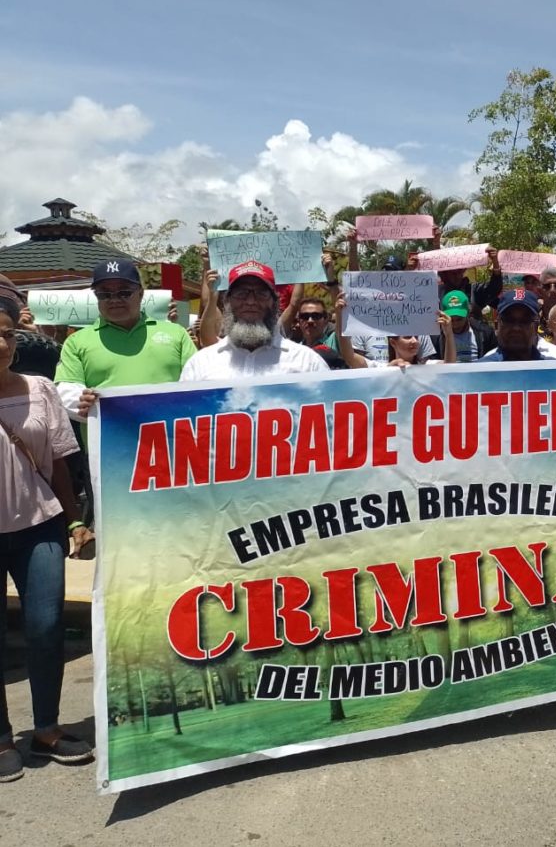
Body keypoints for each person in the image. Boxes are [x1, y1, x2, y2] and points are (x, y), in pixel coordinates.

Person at [0, 294, 95, 782]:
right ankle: (1, 738)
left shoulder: (40, 389)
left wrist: (75, 521)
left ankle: (46, 729)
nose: (0, 344)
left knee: (46, 626)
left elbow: (59, 462)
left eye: (6, 334)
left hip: (40, 525)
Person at [55, 260, 196, 421]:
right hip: (110, 436)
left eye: (124, 293)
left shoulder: (177, 334)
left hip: (168, 434)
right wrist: (81, 403)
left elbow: (196, 383)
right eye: (104, 294)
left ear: (140, 294)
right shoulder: (75, 342)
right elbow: (68, 392)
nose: (114, 299)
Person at [180, 261, 328, 381]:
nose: (250, 301)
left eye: (261, 293)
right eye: (241, 293)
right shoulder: (200, 364)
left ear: (275, 303)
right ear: (227, 302)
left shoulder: (307, 362)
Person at [477, 290, 548, 363]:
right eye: (508, 320)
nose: (516, 328)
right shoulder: (479, 368)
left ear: (536, 327)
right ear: (497, 326)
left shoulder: (552, 367)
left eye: (525, 321)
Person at [430, 290, 497, 362]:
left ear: (468, 313)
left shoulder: (485, 332)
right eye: (451, 320)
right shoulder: (436, 337)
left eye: (459, 319)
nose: (455, 324)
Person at [388, 314, 456, 366]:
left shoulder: (426, 366)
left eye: (416, 337)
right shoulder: (383, 369)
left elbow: (449, 366)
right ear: (393, 343)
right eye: (408, 337)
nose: (415, 341)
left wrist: (448, 334)